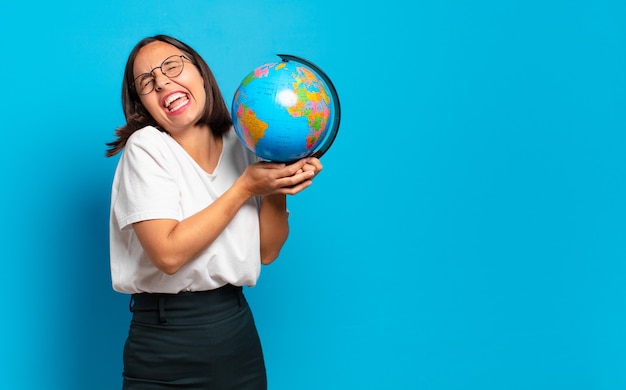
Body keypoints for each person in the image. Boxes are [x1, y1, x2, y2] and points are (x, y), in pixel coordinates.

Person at [105, 34, 322, 389]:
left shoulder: (246, 142)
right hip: (165, 340)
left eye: (172, 66)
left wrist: (277, 183)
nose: (162, 82)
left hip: (235, 331)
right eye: (147, 82)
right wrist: (246, 187)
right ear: (142, 105)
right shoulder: (146, 148)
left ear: (200, 72)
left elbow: (267, 251)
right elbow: (168, 254)